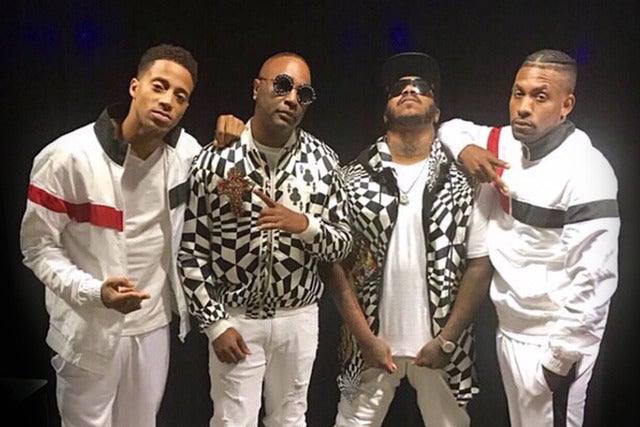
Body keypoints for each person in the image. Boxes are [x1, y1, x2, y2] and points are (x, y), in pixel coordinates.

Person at [19, 43, 201, 427]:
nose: (167, 101)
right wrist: (94, 292)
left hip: (151, 327)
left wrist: (236, 139)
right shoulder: (67, 157)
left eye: (180, 96)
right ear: (135, 86)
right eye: (159, 86)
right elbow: (37, 247)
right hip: (87, 326)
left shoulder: (187, 155)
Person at [438, 49, 620, 426]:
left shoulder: (586, 169)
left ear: (566, 105)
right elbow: (450, 128)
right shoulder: (503, 143)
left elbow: (594, 280)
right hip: (510, 330)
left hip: (553, 341)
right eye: (517, 93)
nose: (523, 107)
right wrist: (467, 149)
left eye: (540, 96)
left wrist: (559, 360)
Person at [177, 51, 352, 427]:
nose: (292, 99)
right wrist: (215, 324)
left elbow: (342, 243)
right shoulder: (216, 160)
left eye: (303, 93)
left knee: (291, 420)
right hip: (237, 318)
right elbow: (191, 251)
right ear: (257, 88)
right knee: (231, 421)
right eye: (283, 85)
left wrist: (304, 225)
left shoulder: (324, 163)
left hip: (298, 317)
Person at [325, 52, 493, 427]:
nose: (409, 90)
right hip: (365, 348)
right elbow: (334, 263)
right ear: (385, 112)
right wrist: (364, 339)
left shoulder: (464, 180)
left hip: (443, 349)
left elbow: (480, 265)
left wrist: (446, 341)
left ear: (437, 113)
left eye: (421, 87)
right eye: (399, 87)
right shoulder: (351, 178)